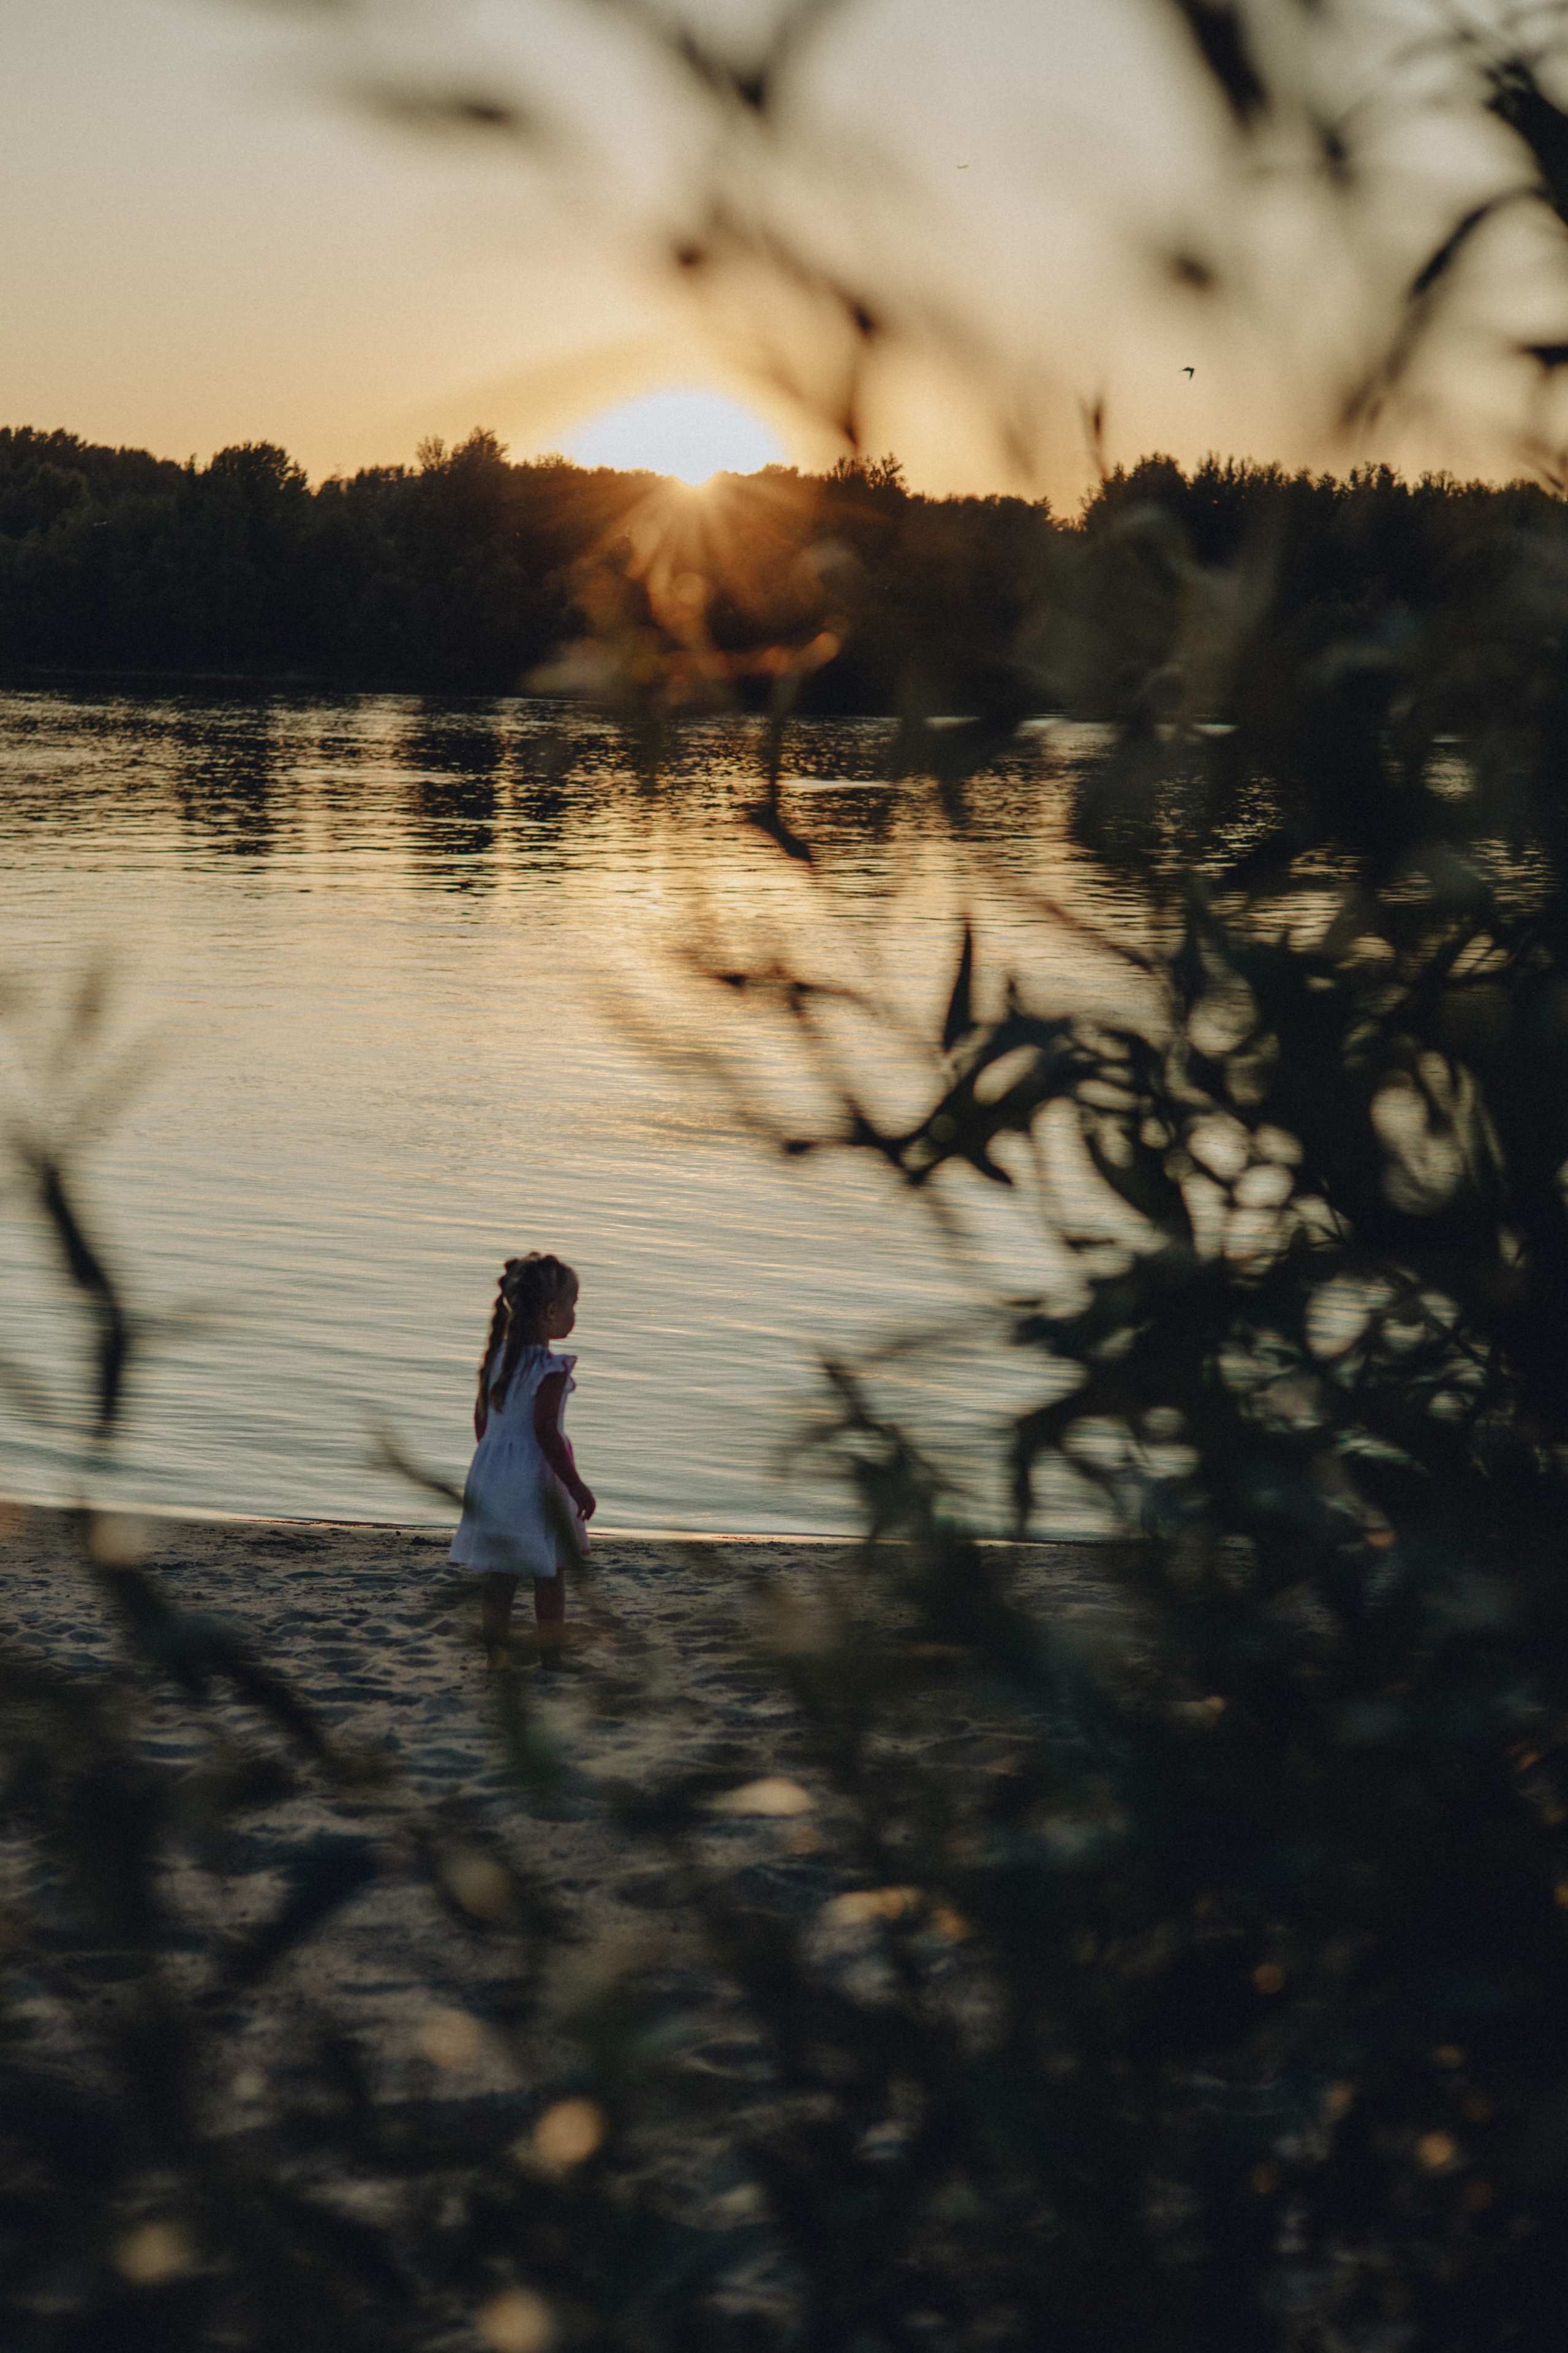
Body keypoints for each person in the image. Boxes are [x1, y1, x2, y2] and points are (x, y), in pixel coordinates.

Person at [450, 1252, 595, 1667]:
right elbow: (546, 1433)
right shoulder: (549, 1369)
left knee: (502, 1575)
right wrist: (575, 1485)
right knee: (550, 1573)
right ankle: (551, 1657)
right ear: (551, 1311)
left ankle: (496, 1655)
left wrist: (495, 1464)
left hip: (494, 1478)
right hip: (536, 1483)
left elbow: (482, 1421)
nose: (574, 1314)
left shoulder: (496, 1359)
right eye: (572, 1305)